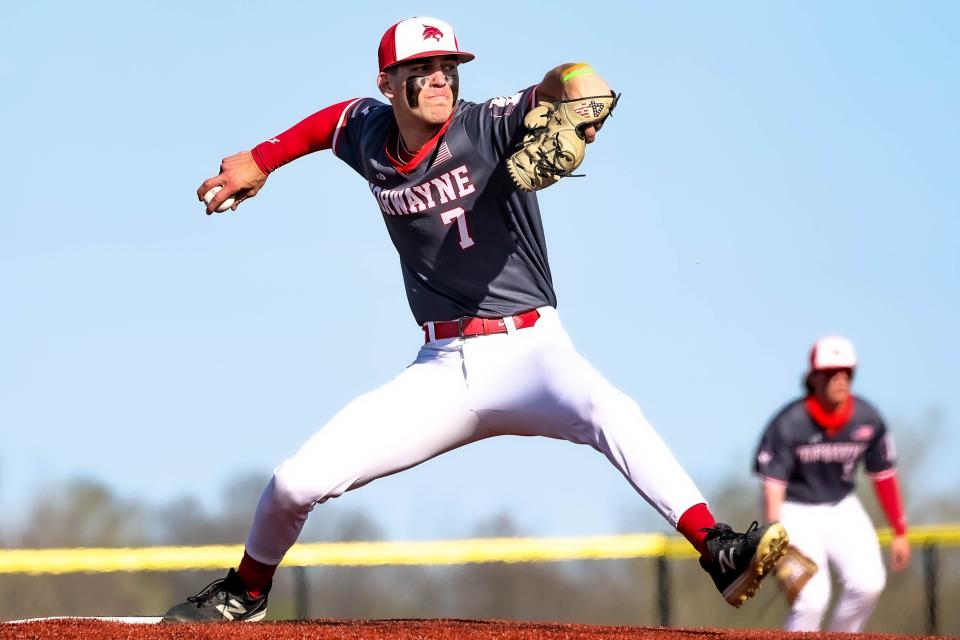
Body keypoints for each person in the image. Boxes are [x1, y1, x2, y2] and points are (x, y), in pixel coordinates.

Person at [162, 16, 787, 622]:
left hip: (532, 352)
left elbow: (571, 79)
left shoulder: (486, 124)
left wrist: (582, 103)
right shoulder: (367, 130)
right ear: (388, 82)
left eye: (450, 67)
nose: (441, 79)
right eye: (423, 68)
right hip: (439, 369)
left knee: (610, 411)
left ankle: (717, 548)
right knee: (295, 482)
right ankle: (245, 593)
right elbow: (332, 123)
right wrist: (262, 158)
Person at [754, 335, 910, 632]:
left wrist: (899, 531)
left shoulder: (867, 418)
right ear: (813, 377)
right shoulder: (789, 423)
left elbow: (884, 474)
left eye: (846, 372)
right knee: (811, 598)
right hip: (795, 511)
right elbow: (772, 485)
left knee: (869, 584)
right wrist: (774, 533)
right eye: (831, 372)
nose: (840, 378)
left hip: (842, 507)